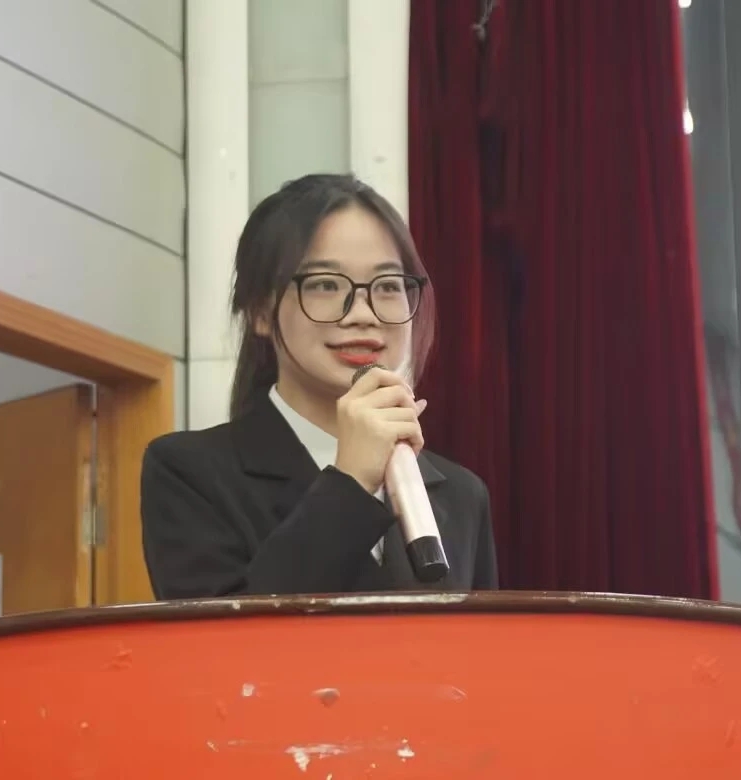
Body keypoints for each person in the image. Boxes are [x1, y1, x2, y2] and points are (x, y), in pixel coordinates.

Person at [140, 173, 498, 599]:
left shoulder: (461, 494)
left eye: (388, 286)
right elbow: (229, 631)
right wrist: (350, 481)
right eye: (326, 284)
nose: (363, 314)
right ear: (259, 311)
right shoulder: (190, 472)